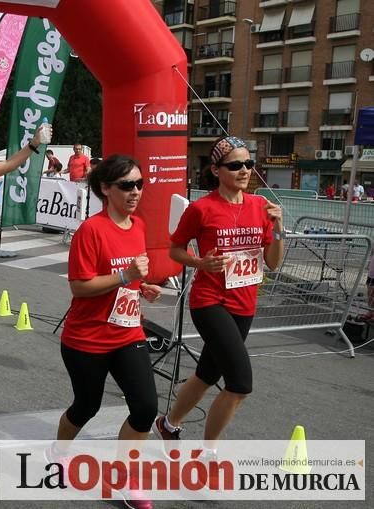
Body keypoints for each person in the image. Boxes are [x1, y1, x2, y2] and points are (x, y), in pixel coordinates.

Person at [154, 136, 284, 457]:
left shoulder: (260, 206)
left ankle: (168, 425)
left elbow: (274, 261)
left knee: (206, 374)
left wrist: (278, 226)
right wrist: (201, 262)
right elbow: (174, 250)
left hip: (244, 303)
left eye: (249, 164)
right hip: (209, 301)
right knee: (240, 384)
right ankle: (207, 453)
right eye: (235, 165)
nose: (244, 171)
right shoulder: (202, 209)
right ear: (216, 169)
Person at [53, 155, 161, 509]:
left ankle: (126, 478)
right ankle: (60, 452)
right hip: (87, 338)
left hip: (128, 333)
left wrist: (141, 288)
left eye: (139, 184)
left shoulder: (139, 226)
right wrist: (126, 277)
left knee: (145, 407)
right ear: (105, 188)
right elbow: (80, 287)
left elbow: (130, 277)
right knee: (86, 406)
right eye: (126, 185)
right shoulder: (91, 230)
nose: (135, 192)